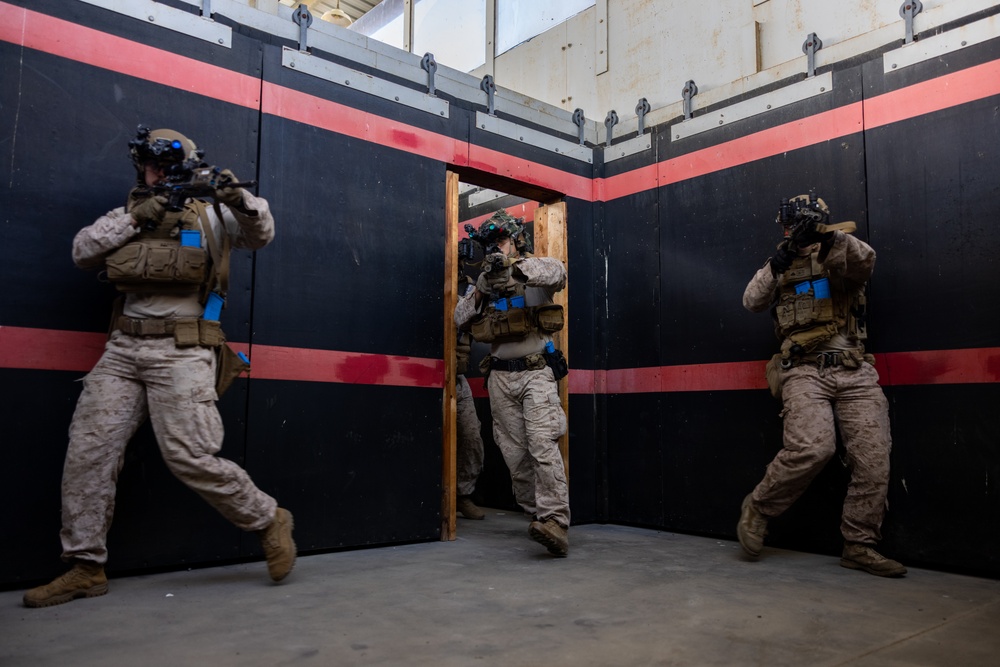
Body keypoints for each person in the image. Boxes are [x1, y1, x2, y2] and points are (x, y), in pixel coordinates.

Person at [23, 126, 296, 608]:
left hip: (183, 348)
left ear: (186, 166)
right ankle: (85, 566)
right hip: (123, 350)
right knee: (88, 452)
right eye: (149, 166)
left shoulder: (213, 214)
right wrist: (136, 218)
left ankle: (268, 518)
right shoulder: (129, 213)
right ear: (140, 169)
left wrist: (238, 197)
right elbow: (83, 251)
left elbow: (262, 233)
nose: (157, 173)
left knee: (191, 455)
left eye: (166, 166)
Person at [737, 192, 905, 577]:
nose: (792, 230)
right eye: (789, 224)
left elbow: (865, 263)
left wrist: (829, 238)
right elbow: (752, 301)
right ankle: (760, 506)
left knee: (873, 459)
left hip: (854, 369)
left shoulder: (842, 250)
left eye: (800, 223)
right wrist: (777, 265)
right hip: (803, 370)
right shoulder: (779, 262)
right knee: (812, 448)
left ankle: (859, 544)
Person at [454, 210, 570, 556]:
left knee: (542, 444)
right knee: (515, 454)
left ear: (516, 240)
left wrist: (514, 269)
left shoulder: (536, 269)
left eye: (501, 241)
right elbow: (459, 317)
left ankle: (555, 521)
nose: (495, 249)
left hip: (535, 373)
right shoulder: (483, 284)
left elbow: (559, 271)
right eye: (490, 244)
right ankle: (539, 518)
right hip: (500, 377)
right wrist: (480, 292)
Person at [455, 328, 486, 520]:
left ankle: (462, 495)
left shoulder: (466, 303)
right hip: (431, 371)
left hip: (458, 380)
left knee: (472, 437)